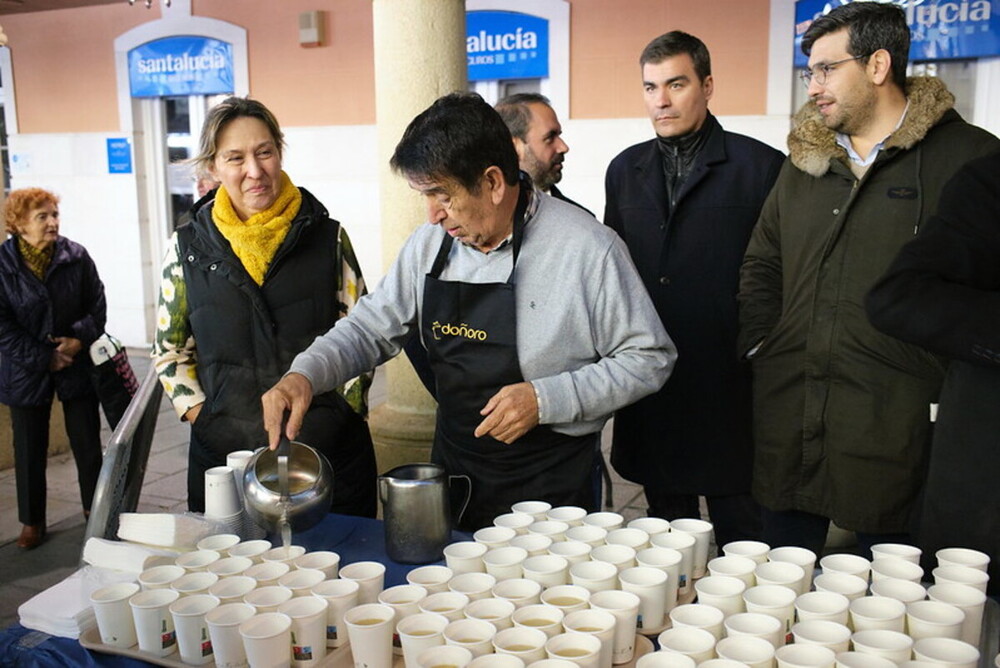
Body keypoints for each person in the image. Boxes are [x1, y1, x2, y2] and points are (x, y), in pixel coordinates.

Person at [261, 92, 676, 530]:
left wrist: (546, 399)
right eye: (425, 195)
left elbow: (649, 358)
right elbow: (368, 328)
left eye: (442, 195)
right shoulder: (429, 246)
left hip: (553, 488)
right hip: (459, 474)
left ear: (494, 182)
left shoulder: (588, 248)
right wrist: (305, 374)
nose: (433, 215)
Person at [737, 2, 1000, 557]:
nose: (813, 86)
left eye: (828, 69)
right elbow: (762, 262)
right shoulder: (804, 161)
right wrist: (763, 343)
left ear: (879, 65)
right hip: (792, 409)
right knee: (779, 596)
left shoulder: (970, 159)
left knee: (899, 604)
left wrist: (942, 383)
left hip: (899, 423)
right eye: (809, 72)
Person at [152, 96, 377, 516]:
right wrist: (204, 417)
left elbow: (362, 331)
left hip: (328, 455)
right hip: (227, 461)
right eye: (235, 158)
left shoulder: (328, 238)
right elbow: (169, 352)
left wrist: (343, 411)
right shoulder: (186, 250)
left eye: (265, 152)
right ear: (213, 168)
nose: (254, 171)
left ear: (279, 152)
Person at [604, 31, 783, 550]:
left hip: (730, 382)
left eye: (676, 84)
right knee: (668, 539)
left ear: (706, 86)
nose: (661, 100)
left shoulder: (761, 168)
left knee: (743, 539)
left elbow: (779, 275)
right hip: (655, 383)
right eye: (650, 87)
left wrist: (757, 348)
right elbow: (614, 272)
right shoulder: (624, 170)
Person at [866, 150, 1000, 594]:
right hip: (983, 510)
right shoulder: (989, 176)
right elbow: (898, 295)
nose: (814, 85)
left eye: (826, 71)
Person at [0, 188, 106, 550]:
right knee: (28, 450)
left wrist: (77, 339)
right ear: (18, 224)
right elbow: (2, 327)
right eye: (42, 216)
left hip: (75, 364)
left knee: (88, 445)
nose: (52, 222)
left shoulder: (75, 256)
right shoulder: (3, 266)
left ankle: (97, 512)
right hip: (25, 371)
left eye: (54, 214)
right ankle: (32, 522)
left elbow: (97, 306)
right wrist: (44, 356)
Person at [495, 93, 592, 215]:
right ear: (514, 148)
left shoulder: (581, 224)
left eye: (559, 135)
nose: (563, 147)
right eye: (550, 138)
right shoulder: (473, 221)